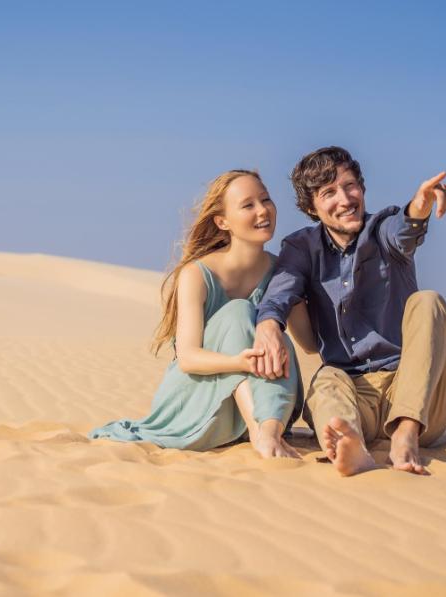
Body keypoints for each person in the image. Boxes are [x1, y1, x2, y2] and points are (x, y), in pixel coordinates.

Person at [253, 147, 446, 475]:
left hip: (417, 395)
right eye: (329, 192)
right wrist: (268, 325)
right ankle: (350, 445)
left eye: (350, 186)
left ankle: (405, 433)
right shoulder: (301, 247)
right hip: (355, 395)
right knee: (326, 378)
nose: (345, 199)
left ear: (362, 188)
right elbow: (281, 292)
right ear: (311, 206)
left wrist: (421, 206)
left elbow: (405, 229)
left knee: (428, 301)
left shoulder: (382, 229)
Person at [89, 170, 315, 458]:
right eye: (248, 205)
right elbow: (188, 358)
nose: (262, 211)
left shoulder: (282, 271)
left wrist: (307, 284)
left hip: (269, 398)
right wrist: (239, 362)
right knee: (238, 312)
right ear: (222, 221)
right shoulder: (197, 274)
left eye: (266, 200)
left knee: (272, 334)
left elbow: (308, 343)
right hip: (203, 405)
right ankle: (261, 432)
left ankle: (265, 430)